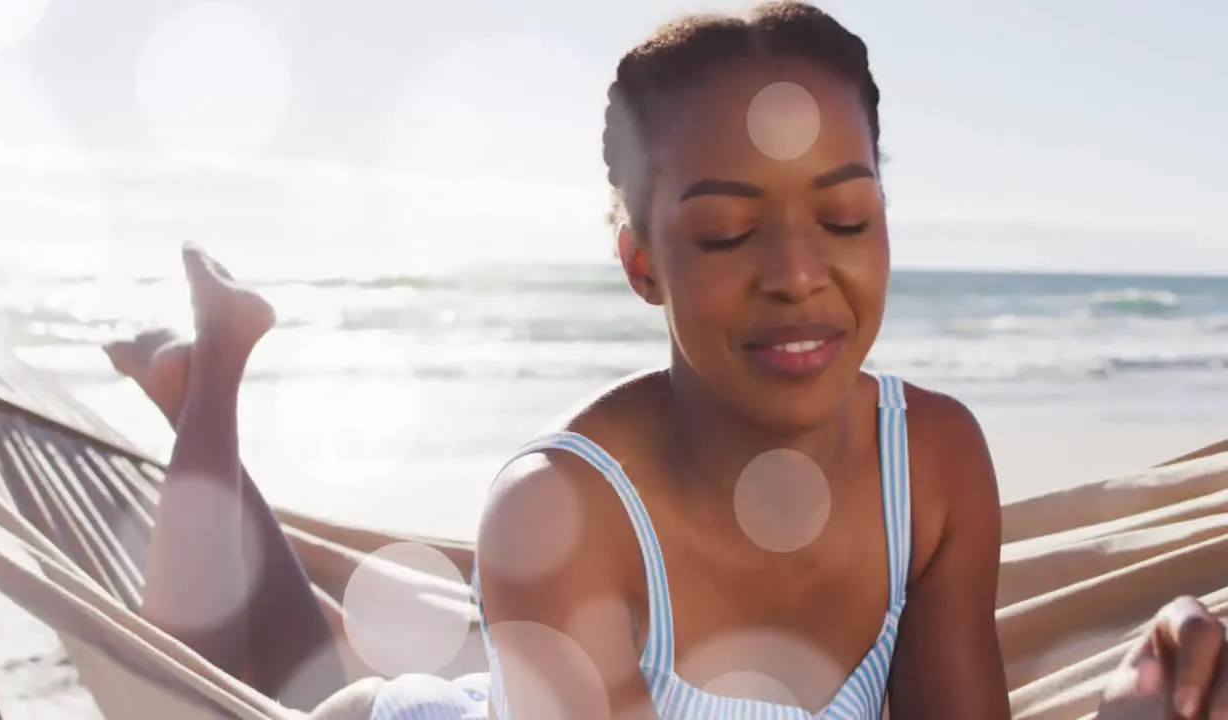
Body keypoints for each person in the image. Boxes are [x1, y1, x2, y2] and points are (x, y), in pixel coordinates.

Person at [107, 3, 1228, 719]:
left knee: (309, 660)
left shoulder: (932, 462)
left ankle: (197, 376)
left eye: (842, 217)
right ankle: (209, 376)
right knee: (238, 688)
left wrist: (1134, 711)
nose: (797, 273)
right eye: (727, 234)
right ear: (642, 261)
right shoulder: (556, 515)